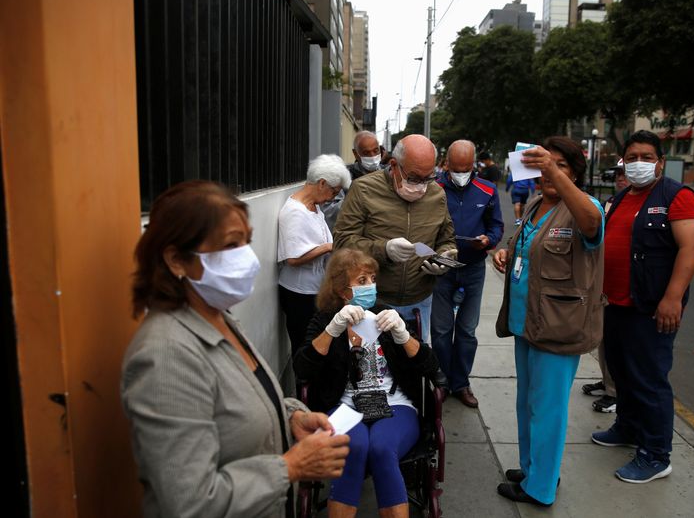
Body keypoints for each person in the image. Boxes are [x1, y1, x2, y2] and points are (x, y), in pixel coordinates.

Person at [121, 180, 350, 518]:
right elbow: (189, 503)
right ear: (176, 260)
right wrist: (289, 467)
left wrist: (291, 417)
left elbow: (237, 398)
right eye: (230, 245)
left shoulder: (217, 317)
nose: (246, 258)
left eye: (246, 242)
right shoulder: (166, 357)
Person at [492, 137, 605, 507]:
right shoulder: (538, 204)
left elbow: (590, 227)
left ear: (574, 172)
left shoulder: (585, 207)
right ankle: (532, 469)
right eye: (544, 166)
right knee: (528, 403)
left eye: (561, 166)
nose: (549, 173)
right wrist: (508, 252)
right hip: (528, 322)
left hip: (559, 326)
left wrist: (552, 168)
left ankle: (540, 488)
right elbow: (530, 246)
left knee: (549, 410)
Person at [294, 248, 441, 518]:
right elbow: (303, 367)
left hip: (394, 403)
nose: (370, 286)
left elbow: (430, 367)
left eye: (373, 278)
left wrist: (402, 335)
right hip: (344, 405)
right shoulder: (327, 320)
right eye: (362, 280)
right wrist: (331, 331)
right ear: (341, 289)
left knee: (383, 447)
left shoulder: (386, 315)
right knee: (354, 446)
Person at [591, 130, 694, 483]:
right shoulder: (624, 197)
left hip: (651, 307)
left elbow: (691, 248)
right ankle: (627, 426)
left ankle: (656, 454)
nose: (639, 162)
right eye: (632, 156)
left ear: (660, 161)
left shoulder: (677, 197)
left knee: (650, 380)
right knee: (622, 372)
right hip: (618, 303)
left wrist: (672, 298)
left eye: (647, 156)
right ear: (623, 161)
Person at [333, 134, 457, 343]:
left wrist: (446, 257)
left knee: (414, 366)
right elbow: (342, 242)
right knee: (373, 370)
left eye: (428, 178)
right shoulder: (363, 189)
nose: (421, 187)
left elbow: (447, 237)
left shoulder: (437, 195)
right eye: (414, 178)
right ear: (394, 165)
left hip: (420, 301)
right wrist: (384, 250)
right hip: (373, 302)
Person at [431, 140, 504, 408]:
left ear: (474, 164)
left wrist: (489, 240)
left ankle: (460, 383)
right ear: (446, 163)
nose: (462, 174)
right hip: (442, 268)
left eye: (467, 168)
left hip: (473, 268)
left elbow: (496, 225)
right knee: (439, 330)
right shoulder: (433, 188)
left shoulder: (487, 189)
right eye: (456, 168)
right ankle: (441, 381)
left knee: (467, 330)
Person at [279, 154, 352, 357]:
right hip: (299, 293)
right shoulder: (295, 211)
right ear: (321, 183)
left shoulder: (315, 207)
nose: (332, 198)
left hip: (315, 288)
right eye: (333, 191)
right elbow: (292, 259)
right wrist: (328, 247)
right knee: (305, 345)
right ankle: (305, 387)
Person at [582, 158, 628, 413]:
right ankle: (608, 381)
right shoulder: (612, 202)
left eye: (625, 173)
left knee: (621, 344)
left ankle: (616, 392)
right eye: (618, 173)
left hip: (627, 290)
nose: (621, 178)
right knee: (604, 338)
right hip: (603, 284)